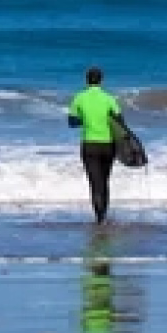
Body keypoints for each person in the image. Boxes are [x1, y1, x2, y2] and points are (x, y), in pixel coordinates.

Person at [68, 67, 123, 223]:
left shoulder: (79, 98)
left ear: (86, 80)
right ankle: (103, 216)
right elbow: (120, 121)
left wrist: (85, 120)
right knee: (105, 181)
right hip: (108, 145)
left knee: (95, 183)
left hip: (89, 145)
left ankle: (99, 219)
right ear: (101, 81)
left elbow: (71, 122)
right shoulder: (109, 98)